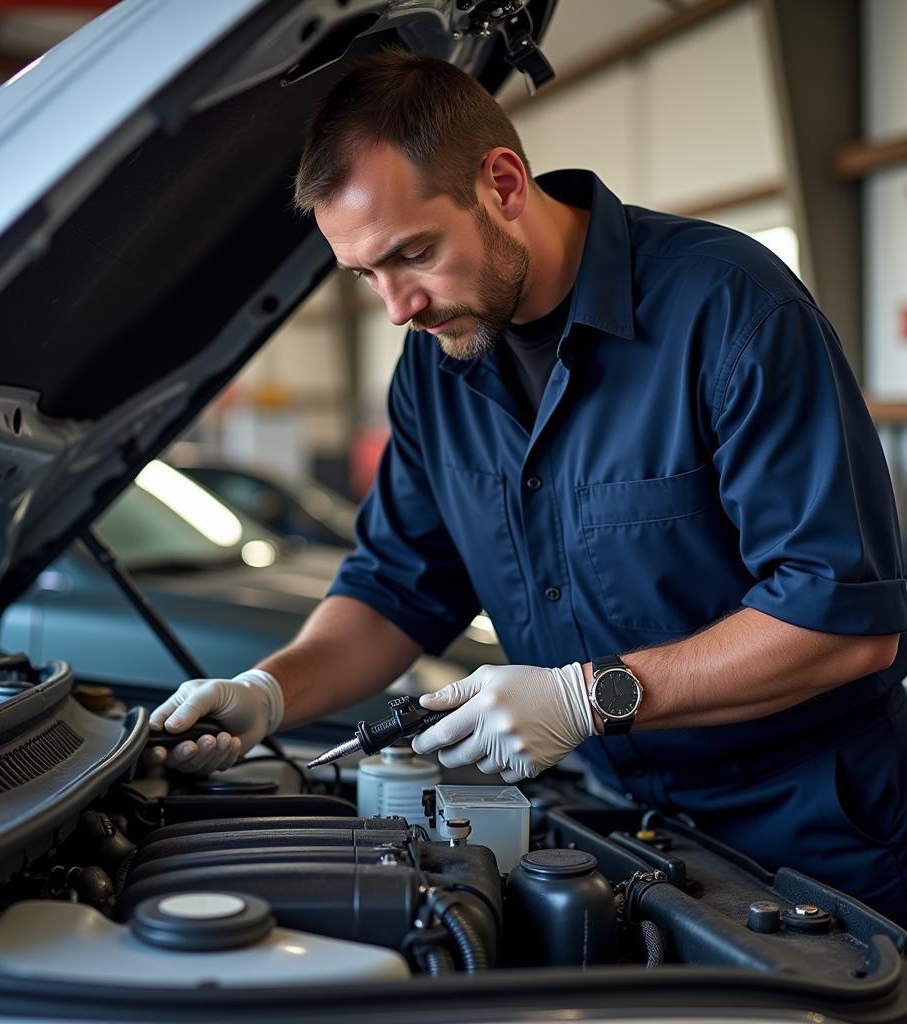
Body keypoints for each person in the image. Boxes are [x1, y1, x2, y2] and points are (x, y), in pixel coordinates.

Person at [151, 49, 907, 924]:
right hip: (619, 831)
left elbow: (842, 623)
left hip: (812, 840)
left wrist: (588, 698)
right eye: (367, 275)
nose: (399, 307)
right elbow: (397, 588)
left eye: (414, 253)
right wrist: (269, 692)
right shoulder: (433, 372)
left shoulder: (730, 310)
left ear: (504, 184)